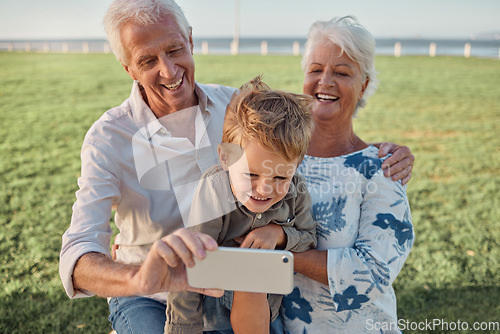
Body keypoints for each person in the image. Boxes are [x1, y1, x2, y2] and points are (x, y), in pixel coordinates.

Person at [58, 0, 414, 332]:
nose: (168, 70)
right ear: (128, 67)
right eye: (148, 61)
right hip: (150, 297)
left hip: (237, 285)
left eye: (175, 49)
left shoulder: (240, 107)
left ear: (191, 41)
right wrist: (140, 278)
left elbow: (301, 127)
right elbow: (78, 252)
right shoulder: (108, 137)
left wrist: (380, 153)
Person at [275, 17, 415, 333]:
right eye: (315, 69)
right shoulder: (276, 160)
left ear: (364, 85)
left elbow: (374, 272)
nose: (325, 81)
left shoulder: (383, 169)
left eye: (342, 72)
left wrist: (282, 249)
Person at [165, 77, 317, 334]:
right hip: (215, 301)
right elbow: (190, 263)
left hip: (266, 311)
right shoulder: (215, 189)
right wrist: (183, 329)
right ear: (225, 157)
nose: (265, 189)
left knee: (254, 275)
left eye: (280, 177)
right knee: (247, 272)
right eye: (251, 175)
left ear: (297, 165)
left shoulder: (296, 189)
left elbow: (309, 238)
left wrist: (279, 235)